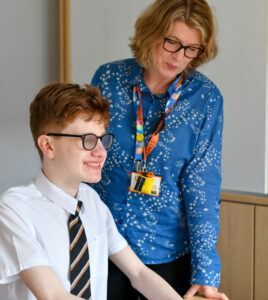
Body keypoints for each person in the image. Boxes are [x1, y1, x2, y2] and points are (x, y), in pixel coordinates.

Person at [0, 83, 183, 300]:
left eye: (103, 140)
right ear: (48, 146)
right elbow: (53, 295)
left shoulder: (92, 201)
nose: (101, 152)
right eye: (87, 141)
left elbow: (138, 273)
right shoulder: (12, 208)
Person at [91, 0, 228, 299]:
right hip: (103, 244)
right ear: (151, 33)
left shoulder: (205, 98)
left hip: (166, 253)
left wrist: (206, 270)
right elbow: (84, 155)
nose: (180, 57)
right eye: (173, 43)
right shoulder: (108, 80)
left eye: (192, 48)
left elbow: (202, 186)